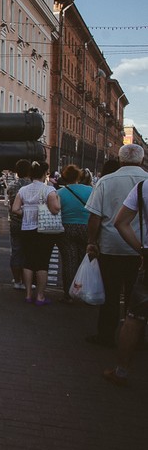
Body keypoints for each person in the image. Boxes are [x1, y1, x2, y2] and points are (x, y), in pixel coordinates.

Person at [84, 144, 148, 347]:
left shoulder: (105, 181)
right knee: (137, 296)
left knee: (110, 293)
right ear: (142, 160)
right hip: (141, 248)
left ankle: (106, 335)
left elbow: (95, 216)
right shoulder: (146, 181)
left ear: (120, 160)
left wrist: (91, 241)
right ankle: (136, 338)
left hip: (110, 246)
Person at [104, 180, 148, 386]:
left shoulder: (143, 187)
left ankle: (121, 371)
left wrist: (141, 249)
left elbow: (120, 222)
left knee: (134, 319)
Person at [11, 161, 60, 305]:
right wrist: (57, 200)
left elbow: (15, 209)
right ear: (44, 174)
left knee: (28, 262)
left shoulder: (23, 190)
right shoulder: (49, 190)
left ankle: (28, 294)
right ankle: (40, 296)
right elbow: (55, 209)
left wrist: (26, 213)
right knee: (42, 263)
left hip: (27, 228)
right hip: (43, 230)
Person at [56, 164, 93, 302]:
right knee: (84, 260)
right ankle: (84, 291)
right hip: (86, 227)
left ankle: (69, 294)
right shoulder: (90, 190)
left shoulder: (60, 193)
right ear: (79, 176)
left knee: (69, 260)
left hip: (66, 228)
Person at [5, 159, 32, 290]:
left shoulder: (12, 186)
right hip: (30, 222)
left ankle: (17, 280)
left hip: (15, 221)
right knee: (29, 252)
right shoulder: (32, 186)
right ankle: (28, 281)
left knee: (16, 251)